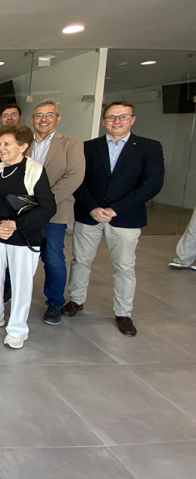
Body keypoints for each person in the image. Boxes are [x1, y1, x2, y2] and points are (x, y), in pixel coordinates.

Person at [63, 101, 164, 337]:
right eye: (111, 117)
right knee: (81, 260)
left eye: (123, 116)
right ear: (103, 121)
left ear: (132, 119)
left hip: (126, 217)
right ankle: (76, 300)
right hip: (90, 215)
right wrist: (92, 207)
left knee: (124, 266)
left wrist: (116, 209)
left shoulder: (149, 147)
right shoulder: (88, 147)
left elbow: (152, 184)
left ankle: (123, 313)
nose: (117, 121)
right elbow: (77, 180)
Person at [0, 124, 56, 349]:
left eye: (7, 144)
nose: (0, 148)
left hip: (22, 237)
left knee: (21, 284)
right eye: (0, 143)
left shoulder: (34, 170)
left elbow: (48, 208)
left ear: (23, 146)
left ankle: (17, 329)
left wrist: (16, 225)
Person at [26, 99, 85, 325]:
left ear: (58, 119)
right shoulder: (23, 143)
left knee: (52, 258)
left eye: (49, 115)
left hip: (55, 212)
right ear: (32, 119)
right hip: (23, 212)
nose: (44, 119)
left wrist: (44, 202)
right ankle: (10, 291)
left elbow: (74, 176)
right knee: (19, 255)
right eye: (39, 115)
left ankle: (54, 303)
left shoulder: (72, 144)